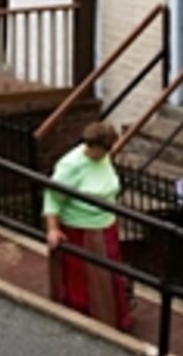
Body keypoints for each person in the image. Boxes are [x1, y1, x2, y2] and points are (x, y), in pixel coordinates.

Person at [43, 120, 131, 330]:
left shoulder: (104, 157)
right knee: (86, 278)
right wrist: (53, 228)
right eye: (102, 151)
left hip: (106, 225)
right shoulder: (70, 165)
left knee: (108, 276)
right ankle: (87, 317)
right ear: (91, 146)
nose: (105, 155)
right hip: (81, 230)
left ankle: (113, 318)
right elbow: (53, 197)